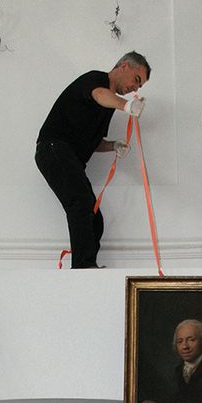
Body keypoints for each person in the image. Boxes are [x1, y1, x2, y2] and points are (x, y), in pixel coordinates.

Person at [35, 52, 151, 268]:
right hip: (53, 148)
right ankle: (83, 268)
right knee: (79, 204)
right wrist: (126, 106)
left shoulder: (106, 109)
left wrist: (113, 145)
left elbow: (93, 141)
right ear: (124, 66)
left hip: (67, 156)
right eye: (136, 80)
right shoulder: (96, 80)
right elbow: (99, 95)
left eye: (139, 87)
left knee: (94, 217)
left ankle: (88, 266)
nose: (135, 89)